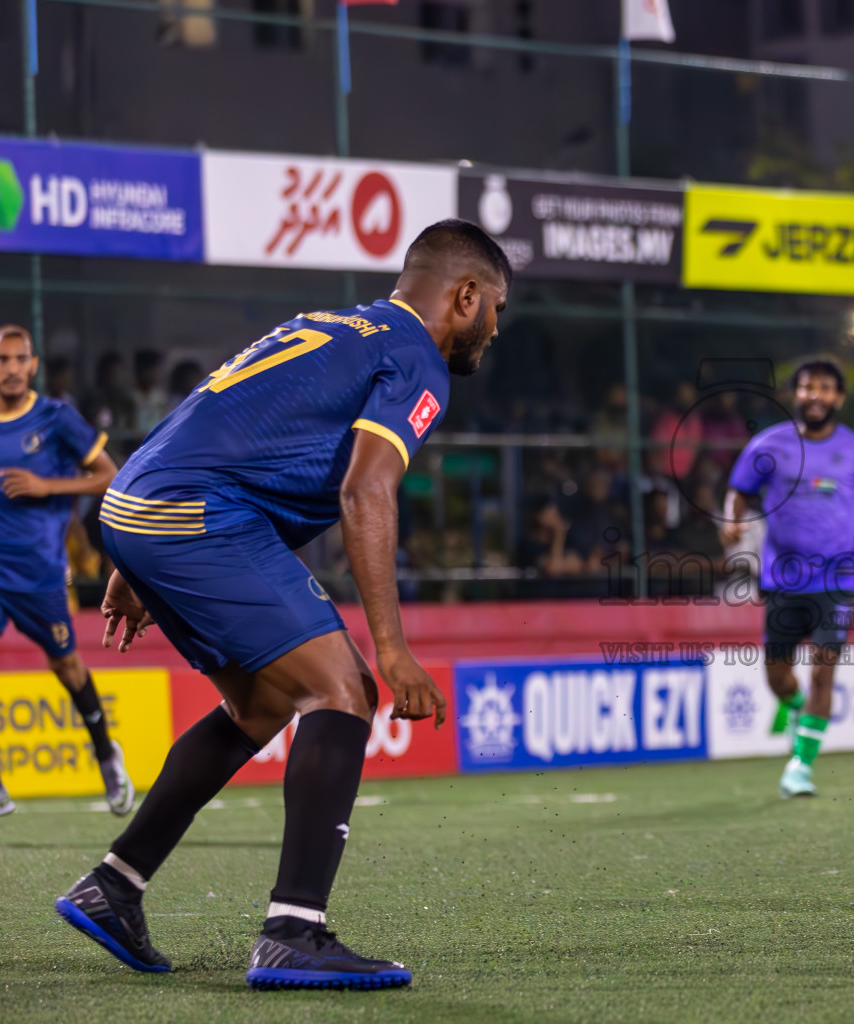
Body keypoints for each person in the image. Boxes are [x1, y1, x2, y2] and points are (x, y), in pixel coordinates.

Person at [52, 219, 510, 991]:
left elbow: (202, 409)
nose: (495, 330)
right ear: (466, 295)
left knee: (261, 706)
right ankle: (294, 931)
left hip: (145, 498)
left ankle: (115, 885)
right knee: (346, 689)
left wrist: (134, 546)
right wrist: (392, 649)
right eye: (497, 308)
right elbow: (366, 490)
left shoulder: (328, 324)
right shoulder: (416, 357)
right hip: (194, 509)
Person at [719, 357, 854, 798]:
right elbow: (738, 491)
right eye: (806, 387)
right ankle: (796, 708)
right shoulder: (770, 444)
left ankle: (800, 766)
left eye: (824, 387)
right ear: (795, 395)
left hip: (837, 580)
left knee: (824, 671)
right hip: (782, 579)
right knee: (777, 677)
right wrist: (731, 520)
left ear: (838, 397)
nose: (814, 395)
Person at [0, 325, 129, 821]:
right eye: (0, 359)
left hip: (40, 573)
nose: (9, 368)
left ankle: (108, 757)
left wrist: (46, 485)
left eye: (18, 359)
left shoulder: (55, 418)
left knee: (67, 668)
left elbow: (112, 475)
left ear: (33, 365)